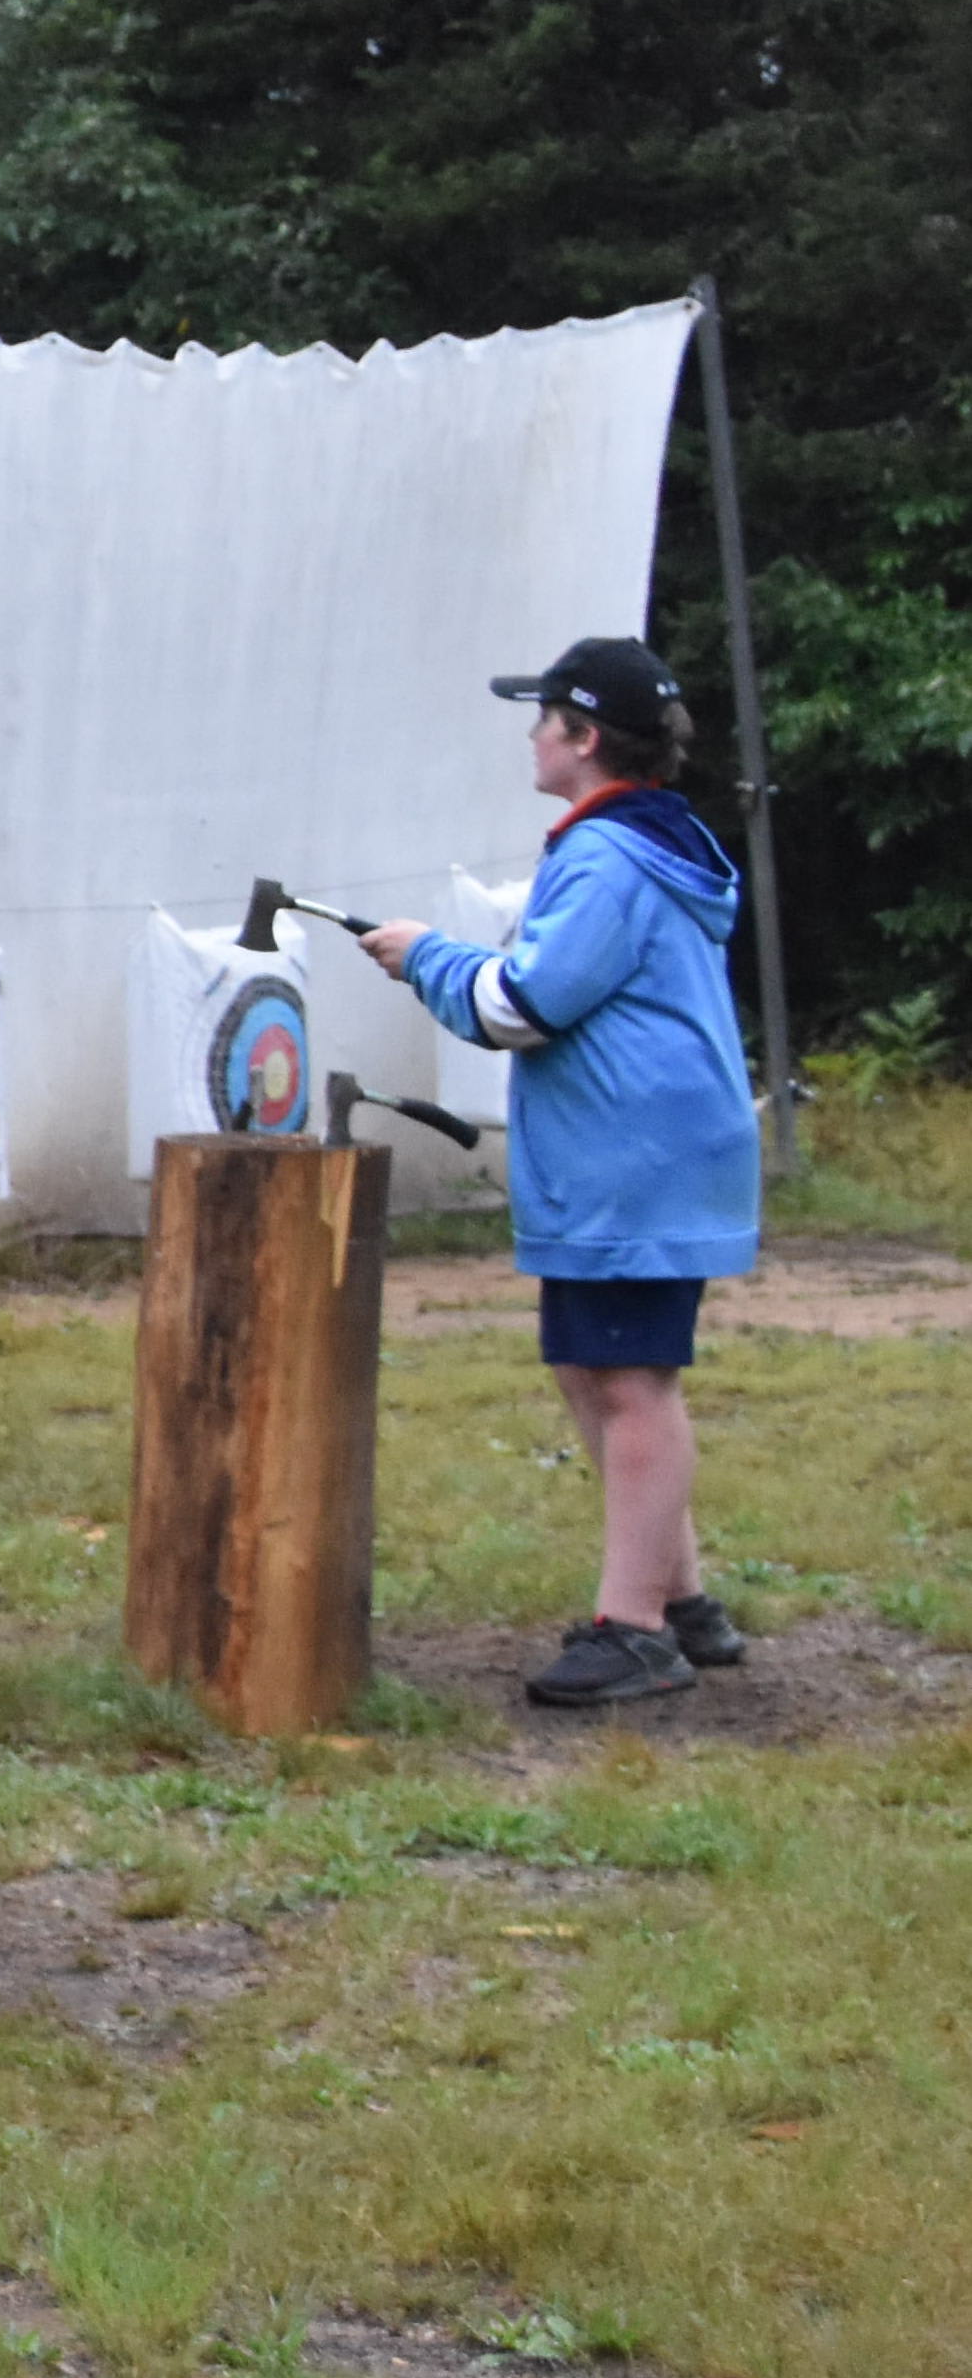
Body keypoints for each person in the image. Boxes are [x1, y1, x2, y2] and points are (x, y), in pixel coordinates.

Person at [360, 636, 762, 1709]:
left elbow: (521, 1006)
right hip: (631, 1159)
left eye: (542, 717)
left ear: (581, 738)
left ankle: (631, 1632)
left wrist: (426, 956)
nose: (530, 733)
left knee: (629, 1384)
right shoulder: (632, 842)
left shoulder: (605, 856)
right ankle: (676, 1604)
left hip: (633, 1164)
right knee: (595, 1372)